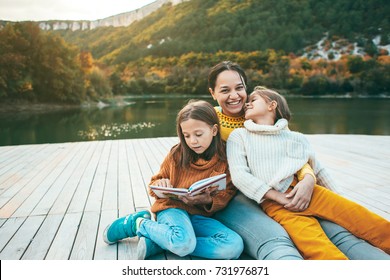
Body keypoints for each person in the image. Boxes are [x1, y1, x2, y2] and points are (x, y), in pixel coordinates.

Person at [208, 60, 390, 260]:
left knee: (359, 217)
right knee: (314, 243)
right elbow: (238, 173)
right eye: (225, 90)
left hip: (304, 190)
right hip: (264, 198)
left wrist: (309, 181)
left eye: (240, 88)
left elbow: (306, 162)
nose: (235, 96)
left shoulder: (283, 131)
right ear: (213, 93)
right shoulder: (214, 124)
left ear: (271, 105)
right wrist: (277, 197)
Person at [103, 100, 244, 260]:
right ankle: (138, 223)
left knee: (233, 246)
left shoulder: (226, 157)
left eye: (198, 134)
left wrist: (208, 200)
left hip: (200, 215)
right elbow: (155, 182)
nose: (192, 141)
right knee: (183, 242)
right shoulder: (177, 154)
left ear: (214, 130)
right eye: (186, 135)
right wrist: (160, 185)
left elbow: (227, 192)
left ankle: (158, 242)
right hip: (172, 209)